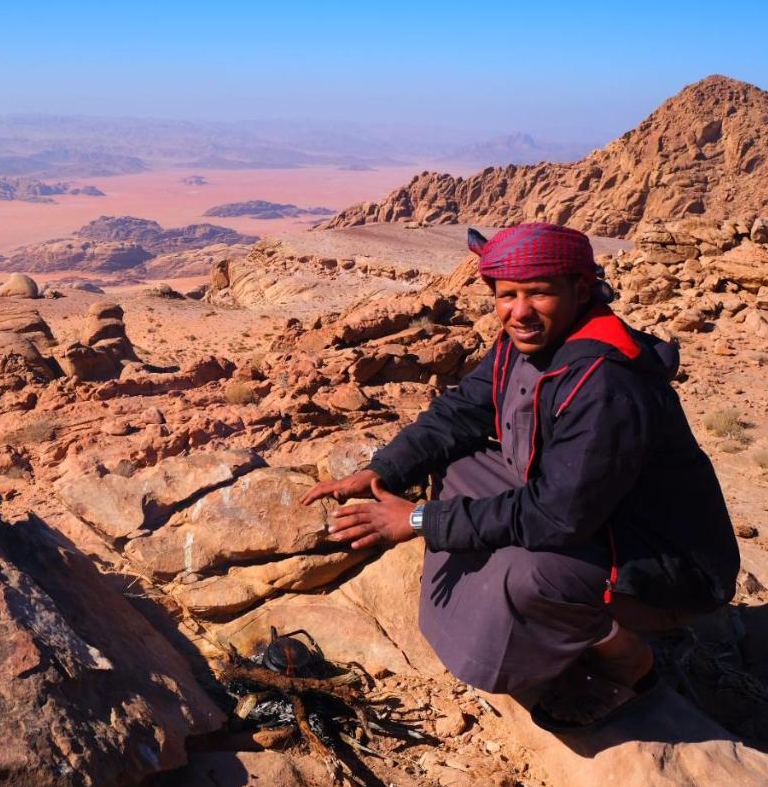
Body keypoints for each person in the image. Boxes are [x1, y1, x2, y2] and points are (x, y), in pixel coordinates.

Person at [300, 222, 740, 731]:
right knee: (459, 466)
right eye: (507, 295)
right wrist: (383, 468)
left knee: (532, 576)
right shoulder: (527, 342)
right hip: (596, 514)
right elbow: (463, 412)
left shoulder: (607, 383)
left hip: (664, 565)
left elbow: (556, 516)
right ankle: (541, 630)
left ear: (580, 289)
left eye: (538, 293)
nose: (519, 311)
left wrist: (420, 519)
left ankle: (630, 666)